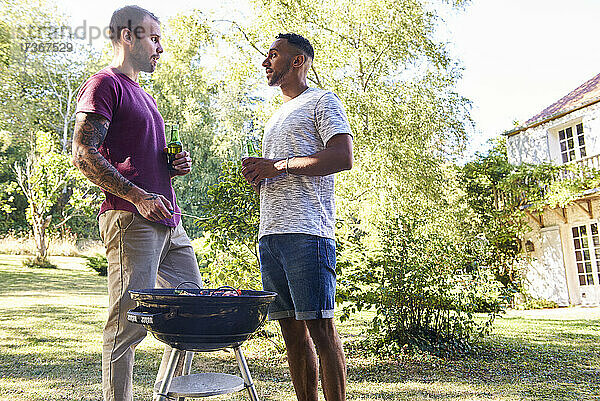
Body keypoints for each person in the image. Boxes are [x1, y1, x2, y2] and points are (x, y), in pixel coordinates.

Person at [71, 6, 202, 401]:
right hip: (131, 218)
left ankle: (167, 394)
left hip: (168, 219)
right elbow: (82, 152)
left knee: (191, 313)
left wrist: (168, 167)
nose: (160, 47)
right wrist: (137, 195)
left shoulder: (144, 96)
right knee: (128, 324)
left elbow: (135, 158)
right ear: (128, 37)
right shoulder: (104, 84)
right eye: (154, 38)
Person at [241, 33, 353, 401]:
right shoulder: (275, 116)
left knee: (321, 330)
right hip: (270, 235)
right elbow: (278, 171)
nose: (265, 62)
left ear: (297, 61)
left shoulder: (323, 100)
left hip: (307, 233)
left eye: (273, 55)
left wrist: (279, 166)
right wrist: (261, 175)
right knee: (290, 333)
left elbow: (341, 157)